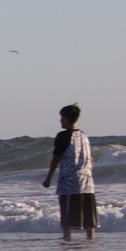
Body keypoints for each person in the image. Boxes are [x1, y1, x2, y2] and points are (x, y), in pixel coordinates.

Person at [43, 103, 97, 241]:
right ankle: (90, 241)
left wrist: (48, 178)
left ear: (66, 118)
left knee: (67, 218)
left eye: (62, 117)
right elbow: (91, 158)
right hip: (88, 182)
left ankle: (67, 241)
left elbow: (56, 157)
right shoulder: (84, 135)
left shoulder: (63, 136)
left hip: (69, 182)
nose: (60, 120)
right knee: (89, 218)